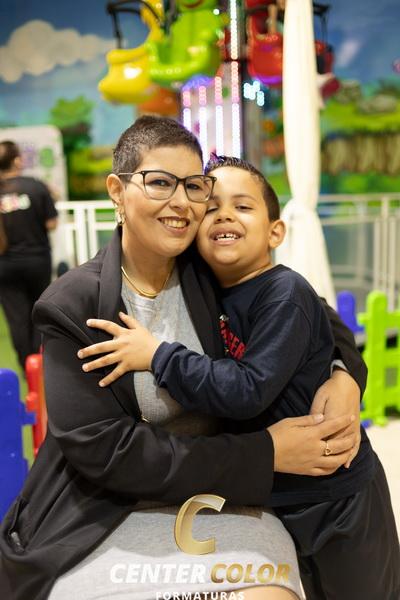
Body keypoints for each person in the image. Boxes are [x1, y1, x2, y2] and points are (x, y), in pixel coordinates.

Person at [0, 117, 363, 600]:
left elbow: (310, 311)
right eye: (159, 182)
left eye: (193, 186)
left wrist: (343, 373)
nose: (180, 202)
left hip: (219, 496)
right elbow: (109, 453)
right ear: (117, 190)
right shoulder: (72, 305)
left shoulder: (206, 266)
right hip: (105, 508)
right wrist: (266, 453)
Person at [80, 154, 400, 600]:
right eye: (211, 207)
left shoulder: (283, 291)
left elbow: (253, 385)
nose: (225, 215)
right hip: (274, 491)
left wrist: (157, 355)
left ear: (275, 232)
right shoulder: (205, 283)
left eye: (243, 206)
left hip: (337, 492)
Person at [0, 140, 58, 370]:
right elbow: (52, 223)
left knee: (16, 319)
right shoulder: (35, 186)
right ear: (16, 161)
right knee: (39, 312)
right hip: (37, 262)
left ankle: (27, 368)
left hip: (4, 266)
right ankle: (40, 365)